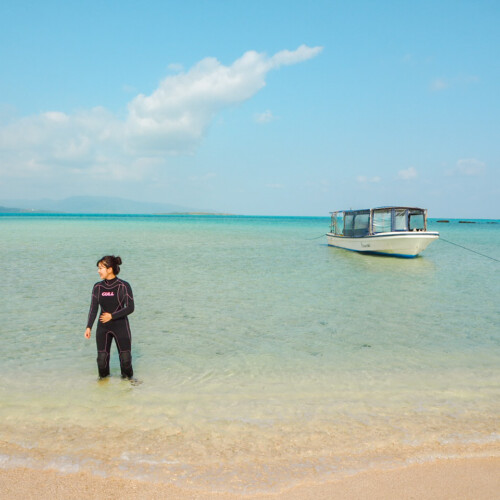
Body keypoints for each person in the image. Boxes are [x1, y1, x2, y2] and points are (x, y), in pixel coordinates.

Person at [85, 255, 135, 379]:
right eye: (98, 268)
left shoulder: (123, 286)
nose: (98, 271)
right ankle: (103, 387)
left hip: (121, 326)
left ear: (110, 269)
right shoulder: (98, 287)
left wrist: (112, 316)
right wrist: (88, 327)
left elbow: (130, 307)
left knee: (125, 360)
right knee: (101, 361)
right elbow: (93, 308)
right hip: (103, 328)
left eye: (101, 268)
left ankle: (129, 384)